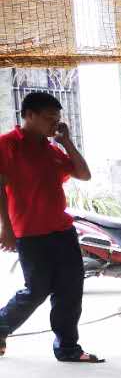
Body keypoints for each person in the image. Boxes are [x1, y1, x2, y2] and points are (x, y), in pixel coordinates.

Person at [0, 90, 102, 363]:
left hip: (62, 231)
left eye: (57, 119)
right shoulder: (8, 145)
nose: (54, 124)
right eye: (48, 118)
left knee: (70, 289)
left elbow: (84, 174)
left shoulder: (51, 149)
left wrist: (66, 141)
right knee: (36, 290)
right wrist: (6, 228)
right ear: (29, 115)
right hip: (30, 233)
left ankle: (68, 348)